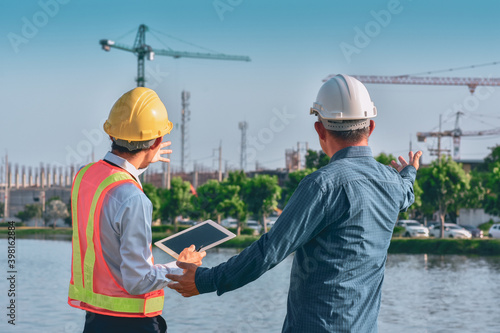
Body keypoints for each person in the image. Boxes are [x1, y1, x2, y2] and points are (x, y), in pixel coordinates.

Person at [166, 74, 422, 332]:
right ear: (371, 127)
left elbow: (270, 250)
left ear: (320, 130)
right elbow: (406, 193)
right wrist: (409, 171)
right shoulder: (392, 183)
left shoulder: (322, 185)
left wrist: (206, 280)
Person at [68, 87, 206, 333]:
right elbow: (137, 281)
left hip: (95, 321)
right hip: (131, 324)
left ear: (111, 135)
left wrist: (143, 160)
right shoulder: (134, 199)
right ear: (157, 142)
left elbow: (114, 185)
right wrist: (180, 266)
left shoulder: (84, 176)